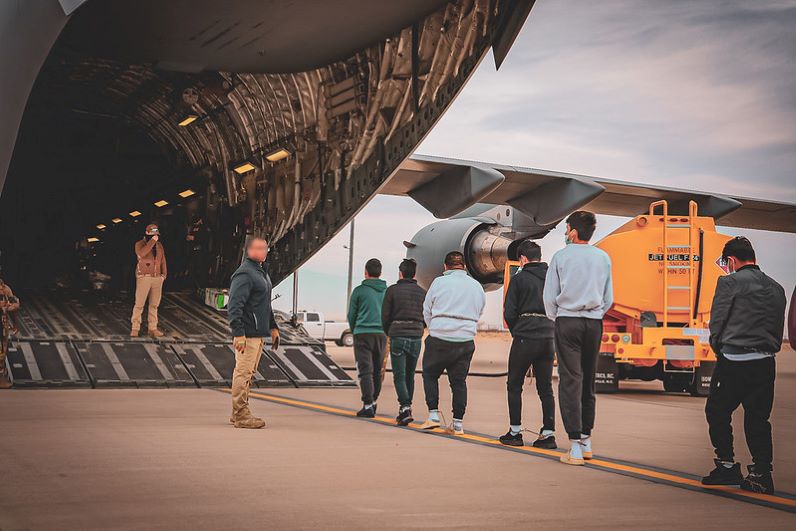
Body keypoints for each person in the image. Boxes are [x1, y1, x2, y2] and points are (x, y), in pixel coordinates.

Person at [701, 236, 786, 494]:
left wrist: (720, 349)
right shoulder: (777, 287)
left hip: (735, 361)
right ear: (754, 258)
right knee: (758, 418)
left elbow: (717, 322)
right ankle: (761, 473)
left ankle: (726, 465)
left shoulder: (729, 282)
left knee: (717, 411)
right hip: (765, 364)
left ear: (731, 260)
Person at [544, 211, 613, 466]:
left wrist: (558, 317)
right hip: (594, 323)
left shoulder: (561, 257)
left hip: (568, 320)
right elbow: (608, 297)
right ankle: (586, 440)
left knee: (570, 380)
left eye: (566, 229)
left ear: (573, 231)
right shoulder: (603, 257)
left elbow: (550, 295)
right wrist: (594, 313)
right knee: (588, 380)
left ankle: (573, 445)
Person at [420, 251, 486, 435]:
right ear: (463, 266)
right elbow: (480, 310)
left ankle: (433, 415)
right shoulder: (476, 286)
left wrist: (436, 328)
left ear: (445, 266)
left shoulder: (439, 282)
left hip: (440, 337)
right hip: (465, 340)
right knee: (458, 382)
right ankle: (457, 423)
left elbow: (427, 309)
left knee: (430, 374)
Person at [499, 241, 556, 448]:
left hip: (525, 336)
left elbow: (509, 312)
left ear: (522, 259)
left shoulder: (519, 278)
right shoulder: (552, 278)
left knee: (514, 385)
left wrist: (518, 331)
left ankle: (515, 432)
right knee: (546, 388)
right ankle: (548, 434)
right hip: (548, 336)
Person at [227, 237, 281, 429]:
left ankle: (237, 413)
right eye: (259, 248)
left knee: (249, 373)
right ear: (249, 251)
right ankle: (241, 415)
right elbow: (234, 306)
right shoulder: (245, 274)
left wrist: (273, 327)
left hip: (258, 332)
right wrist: (238, 333)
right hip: (247, 334)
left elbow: (265, 304)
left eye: (265, 247)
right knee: (242, 373)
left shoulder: (261, 272)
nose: (264, 251)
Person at [381, 258, 427, 426]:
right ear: (414, 273)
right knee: (410, 374)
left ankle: (404, 407)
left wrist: (389, 331)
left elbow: (385, 316)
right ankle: (407, 407)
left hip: (398, 335)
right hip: (416, 336)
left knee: (399, 375)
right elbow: (426, 316)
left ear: (400, 273)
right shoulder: (422, 292)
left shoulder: (392, 291)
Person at [347, 258, 388, 418]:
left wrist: (355, 329)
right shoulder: (386, 291)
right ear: (380, 273)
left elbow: (352, 315)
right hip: (381, 335)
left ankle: (368, 403)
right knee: (377, 371)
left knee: (365, 370)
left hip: (362, 334)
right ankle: (373, 401)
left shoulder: (359, 291)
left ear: (366, 272)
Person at [131, 223, 167, 337]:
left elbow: (163, 261)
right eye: (152, 234)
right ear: (146, 233)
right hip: (144, 277)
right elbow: (142, 253)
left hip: (157, 278)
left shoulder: (159, 245)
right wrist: (152, 241)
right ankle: (135, 328)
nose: (155, 236)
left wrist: (163, 275)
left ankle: (152, 328)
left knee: (154, 304)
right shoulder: (139, 244)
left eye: (156, 234)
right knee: (139, 304)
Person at [0, 277, 20, 389]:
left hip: (3, 321)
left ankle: (1, 372)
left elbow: (14, 304)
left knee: (3, 348)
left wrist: (10, 306)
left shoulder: (6, 289)